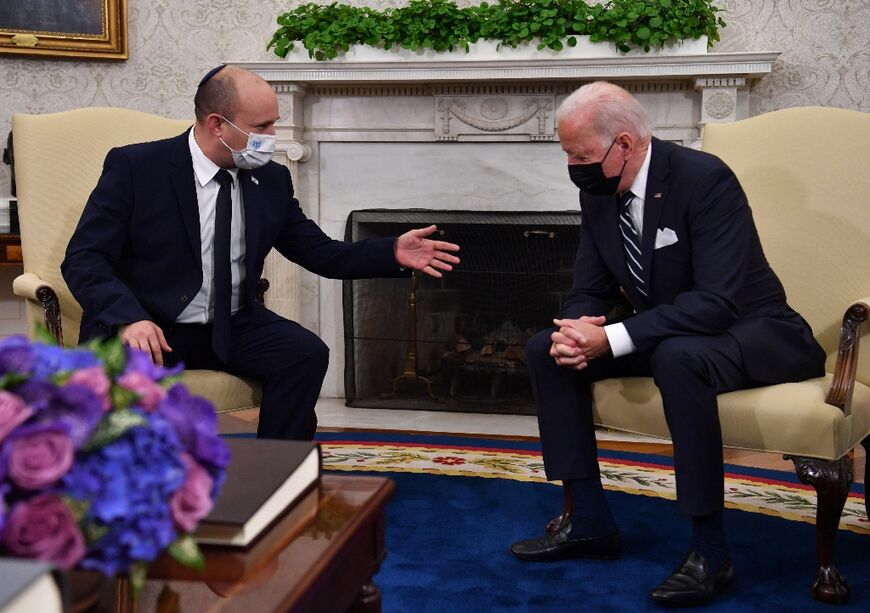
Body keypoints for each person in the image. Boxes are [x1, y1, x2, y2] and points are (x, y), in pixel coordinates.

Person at [510, 82, 825, 607]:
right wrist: (574, 330)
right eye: (567, 154)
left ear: (625, 144)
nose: (573, 166)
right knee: (547, 350)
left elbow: (717, 302)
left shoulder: (705, 180)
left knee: (679, 357)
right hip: (673, 329)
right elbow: (589, 286)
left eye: (581, 155)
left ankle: (710, 552)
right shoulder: (598, 192)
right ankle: (589, 521)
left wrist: (608, 338)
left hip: (753, 330)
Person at [62, 65, 460, 441]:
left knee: (304, 354)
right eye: (261, 127)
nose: (271, 136)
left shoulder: (269, 179)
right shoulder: (137, 167)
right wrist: (129, 319)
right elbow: (84, 258)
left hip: (231, 324)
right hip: (149, 324)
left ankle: (277, 473)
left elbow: (322, 254)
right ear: (217, 124)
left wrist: (391, 251)